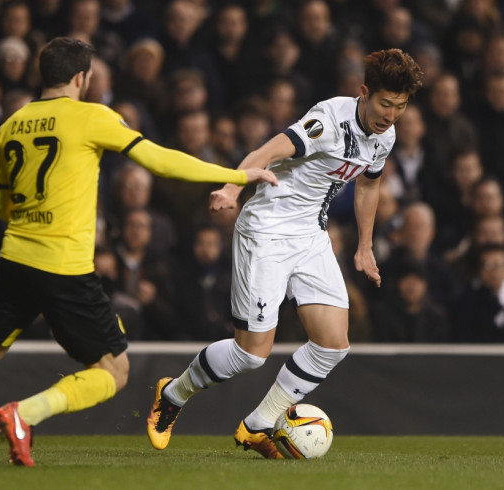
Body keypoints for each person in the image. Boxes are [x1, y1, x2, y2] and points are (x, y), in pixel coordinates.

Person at [0, 37, 276, 466]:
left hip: (14, 262)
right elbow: (158, 160)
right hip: (64, 268)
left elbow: (3, 205)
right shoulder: (90, 117)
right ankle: (24, 414)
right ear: (81, 77)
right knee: (114, 371)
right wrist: (235, 173)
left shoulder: (10, 125)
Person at [146, 48, 422, 458]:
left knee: (333, 344)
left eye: (400, 106)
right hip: (267, 231)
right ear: (364, 92)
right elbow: (270, 150)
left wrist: (364, 247)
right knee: (250, 354)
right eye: (385, 103)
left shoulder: (386, 135)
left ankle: (257, 424)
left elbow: (369, 184)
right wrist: (233, 187)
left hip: (311, 234)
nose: (391, 114)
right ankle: (173, 393)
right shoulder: (328, 120)